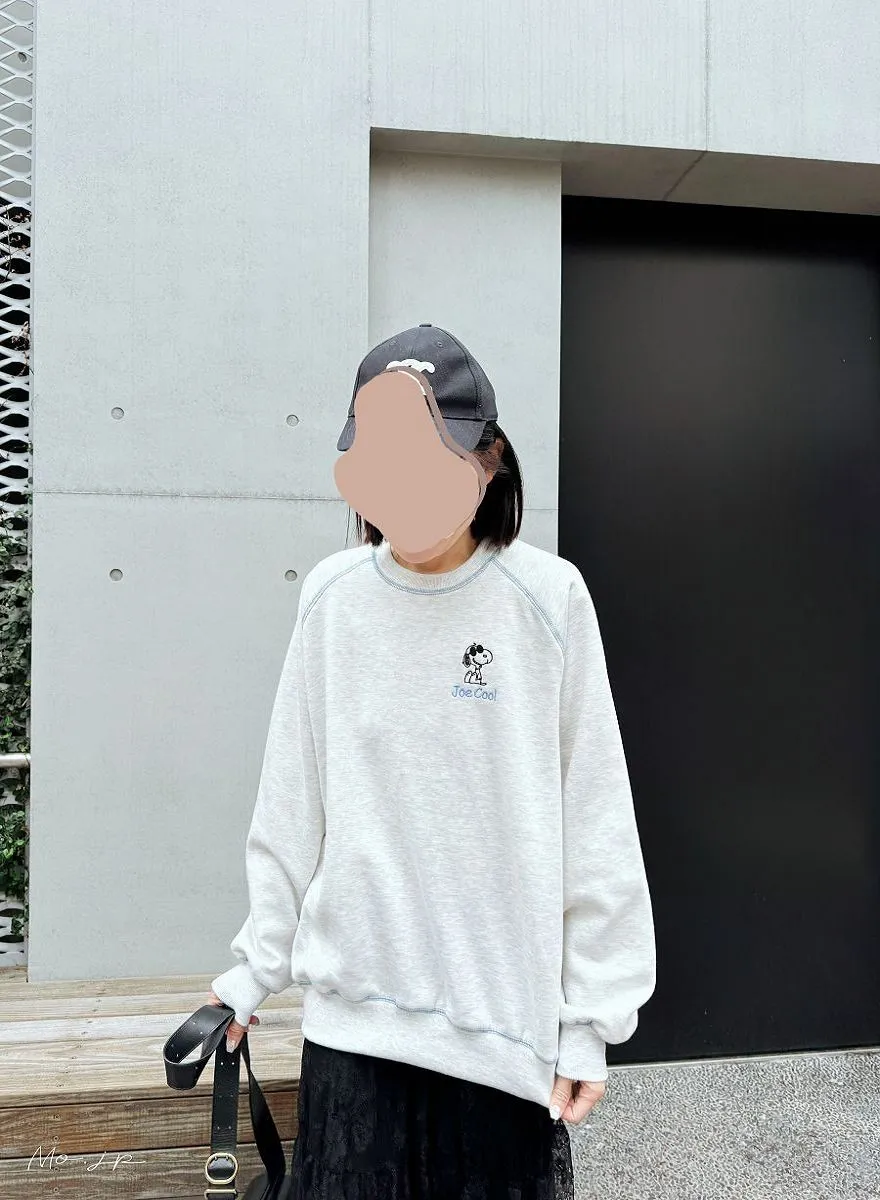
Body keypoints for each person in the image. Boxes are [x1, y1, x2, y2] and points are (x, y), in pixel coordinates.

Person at [209, 324, 656, 1198]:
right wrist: (254, 971)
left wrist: (589, 1023)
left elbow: (596, 817)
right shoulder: (332, 599)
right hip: (353, 1039)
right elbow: (291, 804)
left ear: (488, 462)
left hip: (501, 1041)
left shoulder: (548, 597)